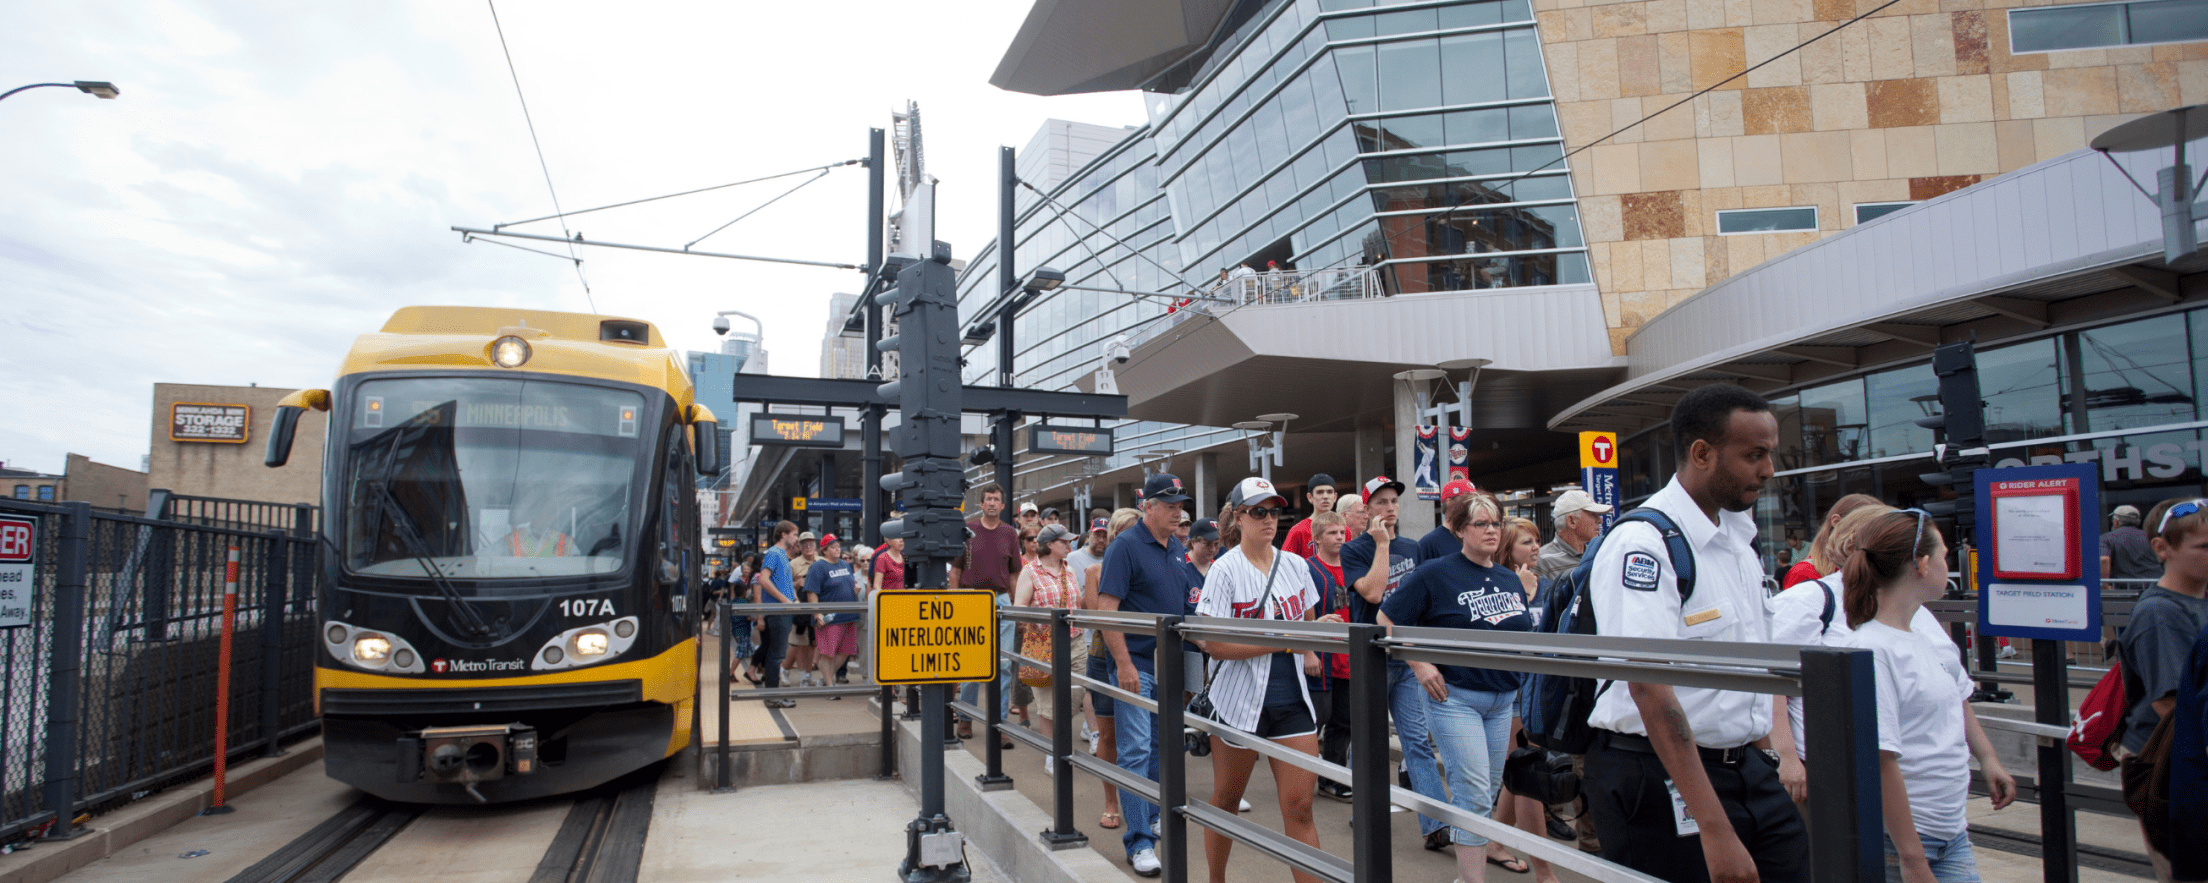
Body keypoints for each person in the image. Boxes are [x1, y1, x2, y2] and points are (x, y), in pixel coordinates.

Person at [1584, 383, 1807, 883]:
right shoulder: (1643, 544)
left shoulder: (1737, 543)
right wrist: (1715, 828)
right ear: (1702, 453)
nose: (1768, 470)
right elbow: (1647, 686)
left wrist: (1769, 755)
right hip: (1659, 775)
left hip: (1746, 768)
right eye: (1755, 455)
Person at [1837, 509, 2016, 882]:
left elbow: (1957, 698)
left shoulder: (1923, 632)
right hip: (1907, 841)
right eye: (1945, 555)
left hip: (1951, 830)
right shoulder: (1873, 648)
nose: (1948, 565)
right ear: (1921, 563)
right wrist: (1913, 858)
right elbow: (1881, 759)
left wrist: (1988, 757)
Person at [1381, 491, 1550, 883]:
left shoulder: (1509, 577)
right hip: (1454, 697)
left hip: (1503, 699)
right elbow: (1386, 619)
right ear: (1460, 530)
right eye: (1481, 523)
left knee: (1486, 791)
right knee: (1472, 791)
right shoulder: (1434, 572)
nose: (1492, 530)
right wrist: (1420, 664)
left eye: (1496, 523)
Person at [1194, 477, 1341, 883]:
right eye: (1258, 511)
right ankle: (1216, 879)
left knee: (1299, 807)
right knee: (1226, 798)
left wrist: (1312, 635)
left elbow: (1306, 628)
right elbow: (1215, 644)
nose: (1269, 519)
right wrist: (1282, 641)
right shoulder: (1224, 569)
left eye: (1275, 511)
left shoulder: (1296, 565)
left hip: (1292, 701)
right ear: (1238, 517)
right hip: (1238, 703)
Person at [1765, 503, 1902, 808]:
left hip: (1879, 764)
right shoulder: (1811, 600)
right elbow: (1773, 679)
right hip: (1822, 768)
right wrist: (1786, 758)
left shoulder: (1898, 606)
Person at [1095, 473, 1196, 876]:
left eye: (1180, 504)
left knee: (1158, 748)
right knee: (1135, 750)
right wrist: (1122, 665)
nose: (1177, 511)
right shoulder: (1125, 547)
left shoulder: (1175, 547)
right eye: (1169, 505)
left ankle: (1151, 816)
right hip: (1135, 662)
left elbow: (1183, 610)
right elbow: (1107, 610)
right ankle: (1138, 842)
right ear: (1148, 506)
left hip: (1167, 664)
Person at [1343, 474, 1450, 850]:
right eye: (1382, 503)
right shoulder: (1354, 550)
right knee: (1366, 739)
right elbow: (1372, 593)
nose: (1390, 508)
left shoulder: (1415, 548)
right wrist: (1382, 546)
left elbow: (1421, 603)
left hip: (1405, 659)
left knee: (1416, 742)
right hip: (1370, 655)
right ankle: (1364, 807)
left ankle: (1435, 823)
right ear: (1368, 509)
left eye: (1394, 502)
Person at [2121, 497, 2208, 877]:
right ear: (2162, 548)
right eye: (2203, 547)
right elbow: (2171, 708)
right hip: (2168, 767)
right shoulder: (2160, 614)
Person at [952, 487, 1023, 742]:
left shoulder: (1009, 533)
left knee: (1003, 666)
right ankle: (966, 719)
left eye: (997, 500)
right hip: (971, 599)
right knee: (972, 666)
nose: (992, 503)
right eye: (988, 499)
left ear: (1003, 506)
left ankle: (1000, 724)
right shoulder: (968, 530)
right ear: (981, 504)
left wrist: (1018, 607)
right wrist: (955, 602)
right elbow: (955, 572)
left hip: (1002, 599)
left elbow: (1015, 574)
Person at [1085, 509, 1142, 833]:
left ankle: (1144, 803)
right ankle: (1111, 802)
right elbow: (1098, 618)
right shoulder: (1096, 570)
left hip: (1144, 658)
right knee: (1109, 734)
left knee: (1142, 736)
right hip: (1102, 656)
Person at [1015, 523, 1085, 740]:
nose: (1068, 544)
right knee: (1047, 704)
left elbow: (1077, 605)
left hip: (1074, 641)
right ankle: (1051, 752)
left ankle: (1060, 744)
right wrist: (1040, 614)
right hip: (1044, 644)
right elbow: (1019, 608)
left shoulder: (1069, 570)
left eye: (1069, 541)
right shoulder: (1030, 572)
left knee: (1074, 695)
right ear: (1048, 545)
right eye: (1063, 541)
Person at [1306, 511, 1355, 802]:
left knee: (1344, 721)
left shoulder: (1353, 566)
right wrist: (1308, 651)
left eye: (1341, 532)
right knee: (1315, 721)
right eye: (1332, 533)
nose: (1339, 538)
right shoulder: (1309, 568)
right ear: (1317, 539)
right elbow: (1300, 610)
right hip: (1321, 659)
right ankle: (1300, 775)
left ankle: (1332, 778)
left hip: (1348, 658)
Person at [1069, 517, 1111, 755]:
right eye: (1097, 534)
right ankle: (1095, 732)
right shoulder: (1074, 559)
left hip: (1105, 632)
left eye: (1105, 535)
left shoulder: (1112, 558)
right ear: (1090, 534)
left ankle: (1090, 726)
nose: (1101, 540)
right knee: (1088, 685)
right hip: (1083, 630)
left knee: (1096, 687)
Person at [1781, 494, 1882, 590]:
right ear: (1837, 523)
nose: (1876, 538)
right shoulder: (1803, 573)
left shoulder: (1872, 568)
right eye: (1866, 529)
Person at [752, 521, 801, 709]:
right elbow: (763, 579)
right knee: (776, 655)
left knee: (776, 654)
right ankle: (772, 697)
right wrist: (785, 601)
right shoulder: (774, 553)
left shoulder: (781, 555)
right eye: (795, 534)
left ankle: (773, 695)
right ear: (784, 535)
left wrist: (793, 600)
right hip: (779, 611)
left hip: (782, 611)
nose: (796, 539)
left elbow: (783, 584)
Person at [804, 535, 861, 695]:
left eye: (838, 546)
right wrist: (817, 614)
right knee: (828, 653)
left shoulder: (845, 564)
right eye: (833, 546)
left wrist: (854, 588)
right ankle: (830, 687)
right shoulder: (818, 567)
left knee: (845, 651)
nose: (837, 549)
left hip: (849, 615)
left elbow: (849, 582)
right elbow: (811, 592)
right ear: (824, 550)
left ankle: (825, 678)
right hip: (829, 618)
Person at [1534, 488, 1614, 584]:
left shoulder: (1597, 554)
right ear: (1571, 521)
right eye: (1593, 514)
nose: (1600, 520)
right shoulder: (1542, 560)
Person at [785, 532, 820, 687]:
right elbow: (785, 586)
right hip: (800, 611)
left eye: (811, 543)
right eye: (804, 543)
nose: (808, 546)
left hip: (817, 609)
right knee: (800, 644)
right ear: (799, 546)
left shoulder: (821, 562)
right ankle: (799, 675)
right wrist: (796, 586)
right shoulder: (793, 564)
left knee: (813, 643)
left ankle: (807, 673)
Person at [1417, 479, 1480, 562]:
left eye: (1475, 500)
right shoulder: (1429, 543)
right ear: (1449, 502)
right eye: (1467, 500)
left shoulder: (1477, 536)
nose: (1473, 505)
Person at [1281, 473, 1339, 559]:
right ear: (1310, 497)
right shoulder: (1298, 531)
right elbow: (1285, 563)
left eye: (1329, 492)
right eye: (1320, 492)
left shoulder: (1344, 529)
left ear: (1335, 497)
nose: (1325, 496)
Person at [2105, 504, 2166, 582]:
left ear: (2116, 522)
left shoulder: (2107, 538)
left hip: (2125, 588)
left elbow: (2104, 560)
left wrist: (2105, 585)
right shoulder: (2151, 537)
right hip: (2154, 583)